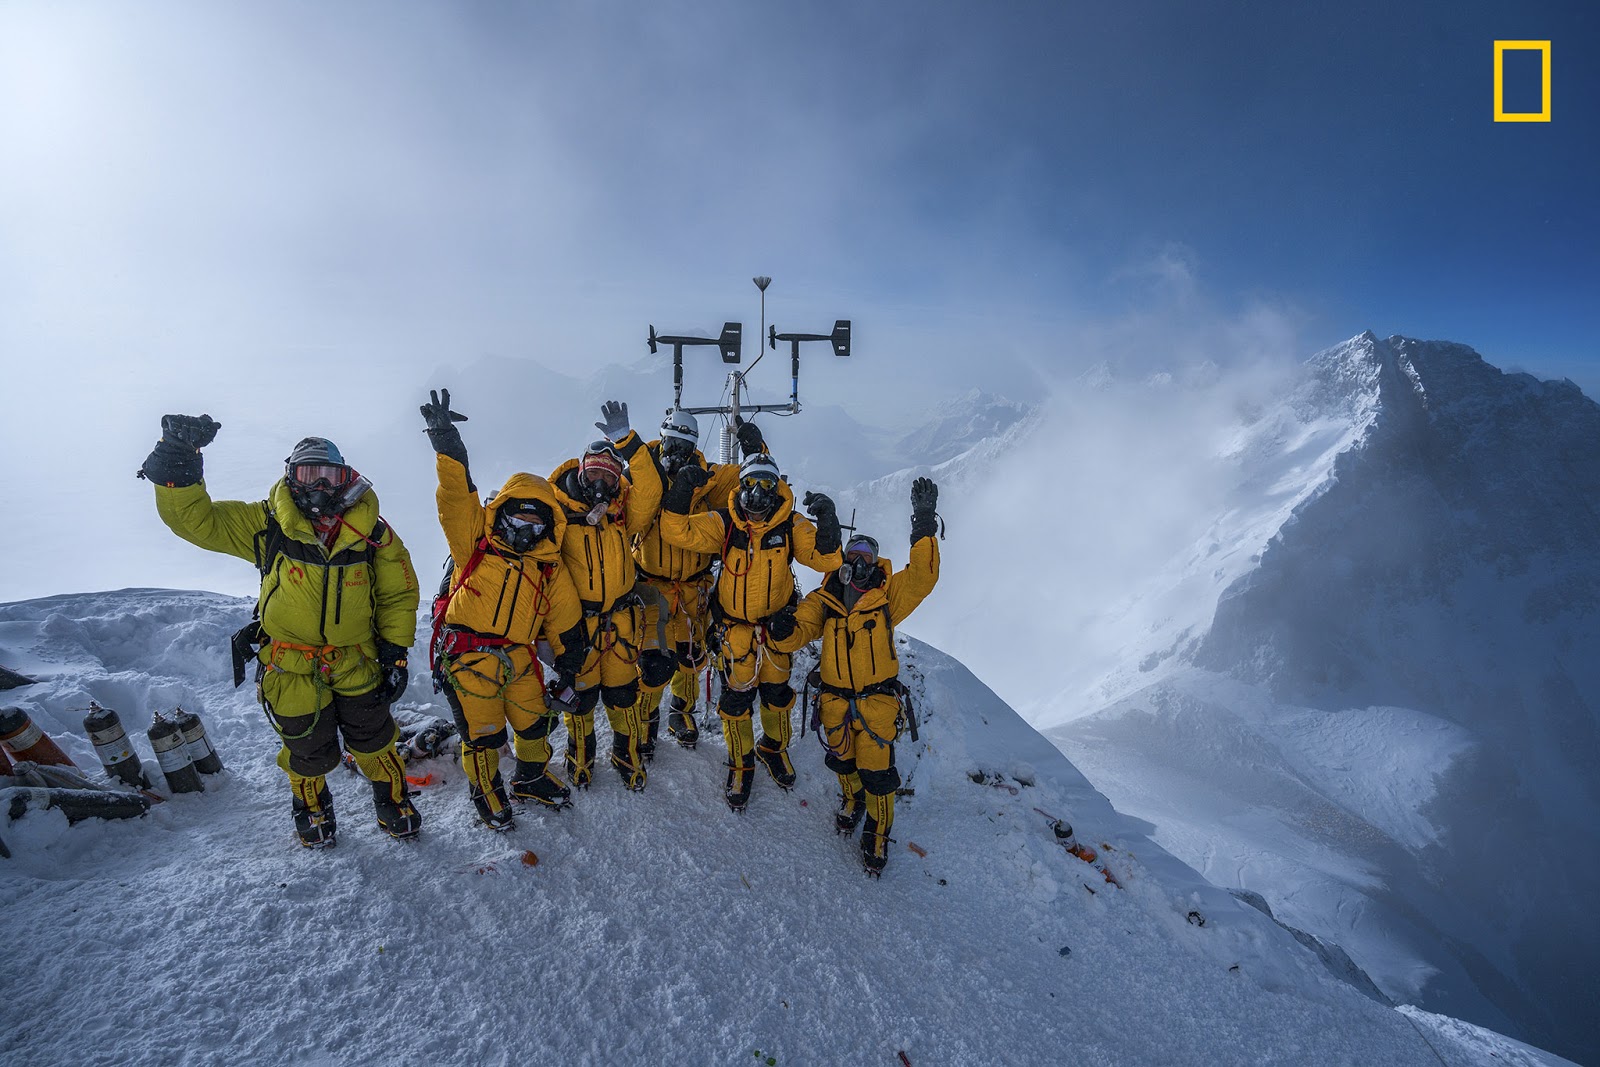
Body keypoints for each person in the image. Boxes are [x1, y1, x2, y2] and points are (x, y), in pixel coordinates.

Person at [139, 415, 422, 848]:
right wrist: (180, 457)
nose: (319, 486)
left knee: (375, 738)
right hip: (289, 663)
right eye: (308, 475)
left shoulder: (374, 533)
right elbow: (196, 521)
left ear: (345, 479)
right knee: (306, 747)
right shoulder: (268, 524)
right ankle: (311, 808)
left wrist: (396, 653)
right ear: (290, 477)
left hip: (357, 659)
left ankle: (393, 800)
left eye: (329, 476)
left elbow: (397, 595)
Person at [421, 388, 590, 831]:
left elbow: (566, 620)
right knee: (484, 736)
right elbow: (456, 499)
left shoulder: (546, 568)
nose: (526, 530)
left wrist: (570, 664)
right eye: (518, 519)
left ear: (547, 527)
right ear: (502, 515)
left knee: (535, 725)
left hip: (519, 656)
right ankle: (486, 789)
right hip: (468, 653)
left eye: (536, 524)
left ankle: (530, 778)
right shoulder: (475, 541)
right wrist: (448, 446)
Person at [769, 477, 940, 876]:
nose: (859, 562)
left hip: (877, 703)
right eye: (854, 555)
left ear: (876, 563)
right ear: (844, 561)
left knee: (877, 774)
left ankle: (878, 834)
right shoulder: (824, 599)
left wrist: (924, 525)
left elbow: (922, 577)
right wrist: (782, 629)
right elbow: (801, 630)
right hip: (834, 701)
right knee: (842, 761)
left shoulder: (887, 599)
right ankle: (851, 801)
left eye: (867, 555)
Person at [659, 448, 842, 811]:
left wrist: (828, 522)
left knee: (777, 696)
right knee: (736, 701)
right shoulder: (726, 523)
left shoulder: (790, 525)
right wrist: (681, 490)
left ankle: (772, 748)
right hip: (735, 634)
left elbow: (827, 559)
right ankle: (740, 764)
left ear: (777, 490)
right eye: (750, 484)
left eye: (766, 485)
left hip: (775, 632)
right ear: (740, 486)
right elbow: (675, 530)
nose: (757, 494)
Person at [628, 411, 763, 755]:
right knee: (655, 657)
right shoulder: (645, 478)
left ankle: (681, 712)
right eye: (672, 444)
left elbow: (755, 478)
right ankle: (645, 722)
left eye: (686, 447)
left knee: (690, 654)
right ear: (662, 440)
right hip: (653, 584)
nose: (678, 454)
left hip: (694, 585)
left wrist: (754, 449)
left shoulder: (709, 478)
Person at [547, 402, 663, 791]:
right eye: (594, 471)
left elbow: (650, 489)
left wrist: (627, 443)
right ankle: (580, 756)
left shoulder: (621, 514)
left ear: (618, 482)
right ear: (580, 472)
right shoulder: (559, 515)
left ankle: (625, 753)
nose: (600, 481)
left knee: (623, 695)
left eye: (610, 475)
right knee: (579, 700)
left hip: (620, 620)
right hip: (578, 625)